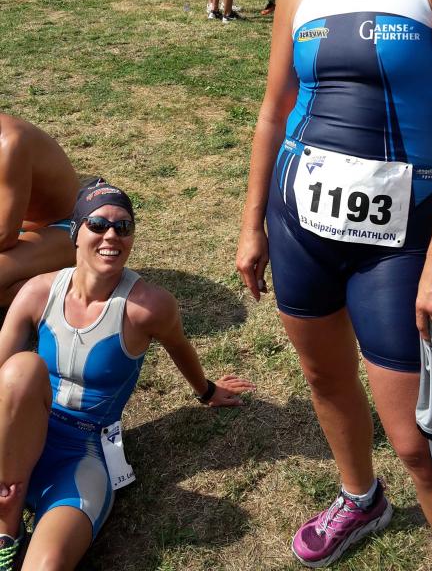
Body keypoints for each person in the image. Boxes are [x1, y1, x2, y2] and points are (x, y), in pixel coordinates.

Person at [236, 0, 432, 567]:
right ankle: (360, 498)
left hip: (401, 244)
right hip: (300, 228)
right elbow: (273, 110)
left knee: (419, 441)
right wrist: (252, 224)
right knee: (325, 381)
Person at [0, 180, 255, 569]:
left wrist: (206, 390)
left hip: (82, 454)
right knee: (22, 368)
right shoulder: (38, 292)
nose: (111, 235)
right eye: (98, 224)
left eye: (123, 226)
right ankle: (7, 525)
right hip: (20, 435)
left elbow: (179, 346)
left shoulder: (147, 306)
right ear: (76, 232)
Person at [0, 113, 77, 305]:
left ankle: (87, 293)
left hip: (65, 227)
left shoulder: (10, 143)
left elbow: (5, 236)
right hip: (17, 232)